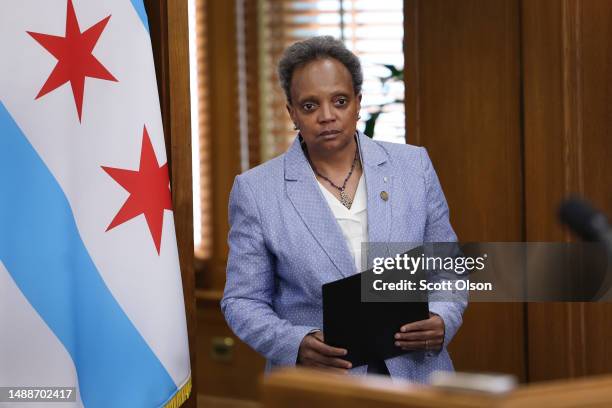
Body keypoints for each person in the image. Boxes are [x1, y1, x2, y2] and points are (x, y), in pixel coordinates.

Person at [221, 36, 466, 381]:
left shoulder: (413, 167)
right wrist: (297, 343)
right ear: (291, 112)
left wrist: (442, 318)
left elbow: (448, 270)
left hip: (418, 376)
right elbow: (242, 301)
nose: (327, 116)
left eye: (339, 101)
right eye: (309, 105)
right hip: (322, 385)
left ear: (358, 103)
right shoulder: (257, 191)